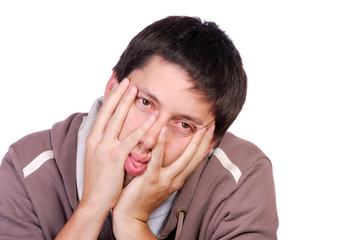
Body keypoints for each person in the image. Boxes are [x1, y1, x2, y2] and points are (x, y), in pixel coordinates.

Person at [0, 16, 278, 239]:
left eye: (183, 124)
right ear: (112, 88)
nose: (150, 139)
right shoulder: (27, 167)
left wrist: (133, 222)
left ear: (211, 141)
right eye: (144, 102)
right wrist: (93, 205)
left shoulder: (241, 177)